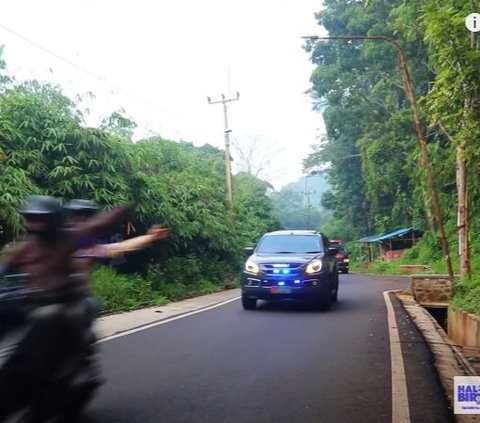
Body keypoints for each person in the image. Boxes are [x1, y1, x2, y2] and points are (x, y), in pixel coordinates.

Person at [0, 195, 134, 421]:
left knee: (56, 316)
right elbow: (5, 266)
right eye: (31, 219)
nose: (35, 224)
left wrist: (126, 208)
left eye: (40, 219)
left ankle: (64, 368)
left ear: (54, 220)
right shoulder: (24, 246)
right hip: (31, 303)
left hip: (68, 303)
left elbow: (108, 236)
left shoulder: (74, 237)